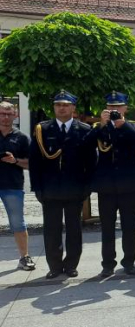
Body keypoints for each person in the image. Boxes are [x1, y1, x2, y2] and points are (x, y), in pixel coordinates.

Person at [29, 90, 96, 279]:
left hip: (75, 189)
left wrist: (87, 188)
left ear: (73, 108)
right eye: (58, 105)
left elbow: (91, 162)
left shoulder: (83, 130)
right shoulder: (42, 129)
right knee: (52, 230)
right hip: (50, 190)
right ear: (54, 108)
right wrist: (38, 189)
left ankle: (72, 264)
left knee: (74, 230)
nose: (62, 108)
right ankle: (55, 266)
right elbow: (35, 162)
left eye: (66, 105)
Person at [89, 91, 135, 277]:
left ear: (125, 108)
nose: (114, 110)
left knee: (129, 227)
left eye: (118, 107)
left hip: (129, 186)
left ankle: (129, 262)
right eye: (111, 107)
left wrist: (125, 127)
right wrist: (102, 125)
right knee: (107, 227)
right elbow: (86, 144)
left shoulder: (134, 127)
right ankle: (108, 264)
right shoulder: (100, 128)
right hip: (106, 186)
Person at [0, 101, 35, 271]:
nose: (5, 117)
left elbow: (31, 164)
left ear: (15, 115)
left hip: (12, 185)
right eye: (2, 114)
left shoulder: (22, 137)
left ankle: (24, 257)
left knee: (18, 223)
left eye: (8, 114)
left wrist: (15, 161)